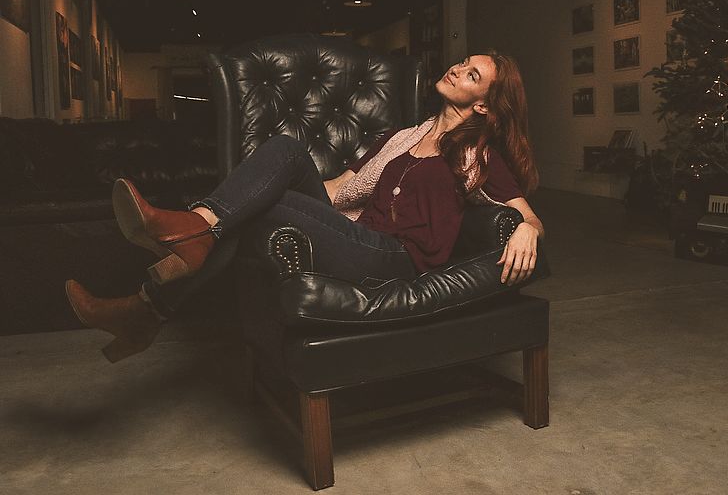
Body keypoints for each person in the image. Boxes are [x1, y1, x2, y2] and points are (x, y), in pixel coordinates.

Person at [66, 52, 545, 362]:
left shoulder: (477, 152)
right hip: (355, 236)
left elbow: (529, 214)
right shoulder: (401, 137)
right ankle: (195, 234)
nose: (458, 69)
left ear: (483, 104)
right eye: (462, 63)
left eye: (472, 74)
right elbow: (341, 188)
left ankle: (155, 292)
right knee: (286, 153)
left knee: (257, 208)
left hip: (396, 258)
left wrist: (526, 229)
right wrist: (269, 190)